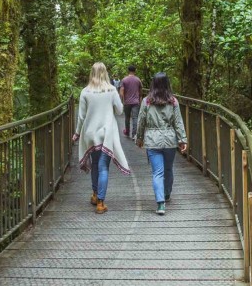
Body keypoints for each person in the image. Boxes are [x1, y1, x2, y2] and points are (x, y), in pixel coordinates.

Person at [72, 62, 130, 214]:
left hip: (90, 134)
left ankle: (95, 194)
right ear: (105, 73)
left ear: (91, 73)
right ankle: (100, 203)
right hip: (106, 133)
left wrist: (77, 133)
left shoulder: (85, 92)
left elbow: (81, 117)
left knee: (95, 163)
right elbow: (119, 111)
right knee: (103, 167)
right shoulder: (111, 90)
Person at [136, 72, 188, 215]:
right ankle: (166, 194)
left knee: (157, 173)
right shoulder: (173, 101)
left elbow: (141, 120)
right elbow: (178, 121)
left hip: (152, 141)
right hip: (170, 140)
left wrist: (139, 138)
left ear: (153, 84)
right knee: (168, 169)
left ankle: (160, 203)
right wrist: (182, 139)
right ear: (167, 84)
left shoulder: (147, 101)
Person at [119, 65, 143, 139]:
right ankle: (134, 135)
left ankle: (127, 132)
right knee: (135, 118)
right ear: (135, 71)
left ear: (128, 70)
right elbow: (141, 92)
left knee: (127, 117)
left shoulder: (124, 80)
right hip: (136, 102)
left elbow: (121, 92)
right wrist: (140, 101)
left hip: (127, 102)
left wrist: (122, 101)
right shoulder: (138, 80)